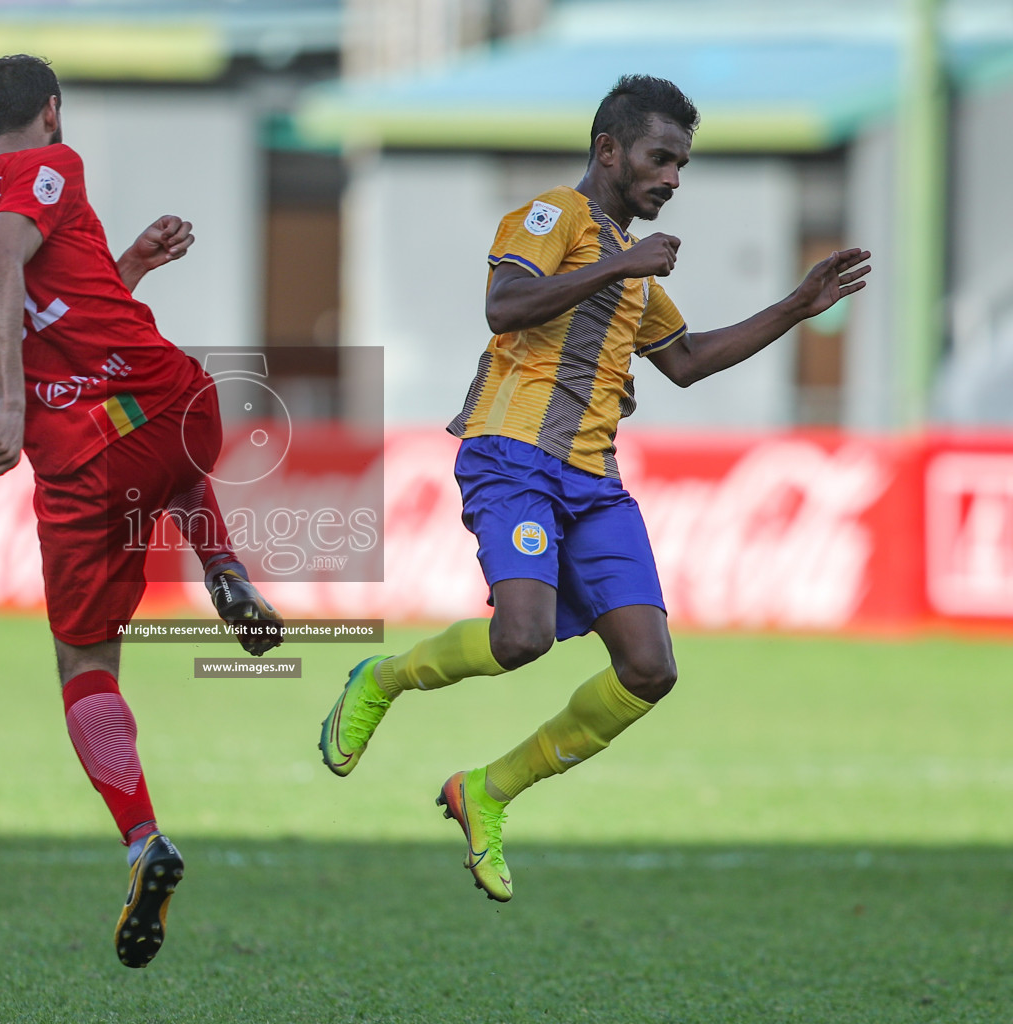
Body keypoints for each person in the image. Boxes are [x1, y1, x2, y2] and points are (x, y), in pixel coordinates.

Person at [318, 74, 870, 902]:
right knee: (521, 639)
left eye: (682, 165)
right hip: (512, 457)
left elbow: (684, 362)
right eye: (660, 158)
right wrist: (622, 265)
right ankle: (381, 680)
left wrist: (794, 306)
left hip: (593, 481)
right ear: (608, 150)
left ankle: (490, 789)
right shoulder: (554, 216)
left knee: (650, 669)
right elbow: (504, 305)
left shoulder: (635, 274)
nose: (673, 179)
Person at [0, 54, 283, 966]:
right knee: (172, 444)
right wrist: (9, 399)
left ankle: (141, 840)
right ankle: (224, 566)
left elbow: (35, 292)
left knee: (85, 663)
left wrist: (123, 267)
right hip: (174, 402)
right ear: (51, 111)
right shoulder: (56, 163)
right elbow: (13, 256)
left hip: (81, 454)